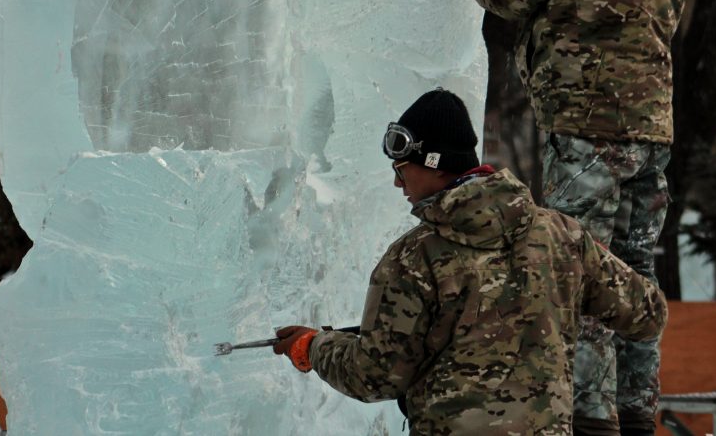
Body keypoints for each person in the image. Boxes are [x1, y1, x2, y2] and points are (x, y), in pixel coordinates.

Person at [463, 0, 691, 436]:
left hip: (587, 124)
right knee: (636, 271)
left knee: (576, 267)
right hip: (650, 124)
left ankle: (591, 421)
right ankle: (637, 413)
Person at [274, 88, 667, 436]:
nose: (398, 183)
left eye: (401, 169)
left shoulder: (415, 257)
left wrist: (314, 346)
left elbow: (375, 375)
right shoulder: (562, 236)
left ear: (434, 163)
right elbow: (648, 314)